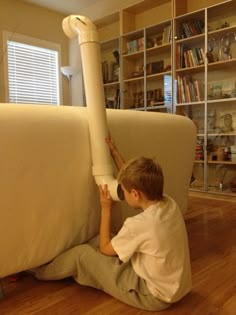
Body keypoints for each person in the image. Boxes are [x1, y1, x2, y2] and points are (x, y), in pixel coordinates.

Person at [33, 135, 192, 311]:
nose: (120, 192)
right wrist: (115, 153)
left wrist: (106, 208)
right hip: (174, 286)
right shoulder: (169, 204)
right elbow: (134, 182)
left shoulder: (140, 224)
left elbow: (105, 249)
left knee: (81, 255)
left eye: (123, 190)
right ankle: (57, 264)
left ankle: (36, 271)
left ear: (135, 194)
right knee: (96, 240)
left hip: (153, 295)